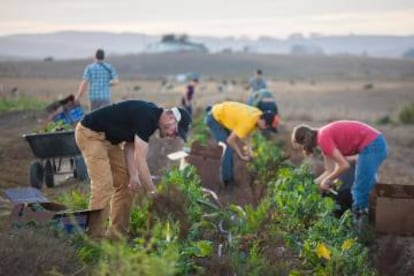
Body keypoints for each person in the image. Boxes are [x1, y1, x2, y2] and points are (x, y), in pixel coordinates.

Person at [75, 100, 191, 239]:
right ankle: (94, 235)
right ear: (171, 118)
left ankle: (117, 235)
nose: (173, 136)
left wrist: (134, 176)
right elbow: (140, 160)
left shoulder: (151, 119)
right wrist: (152, 192)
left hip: (110, 142)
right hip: (91, 134)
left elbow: (130, 147)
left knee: (126, 184)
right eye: (176, 131)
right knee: (103, 184)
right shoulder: (148, 116)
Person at [291, 120, 387, 225]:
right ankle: (373, 218)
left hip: (372, 144)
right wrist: (312, 184)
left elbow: (344, 165)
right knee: (366, 185)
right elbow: (329, 171)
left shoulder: (323, 138)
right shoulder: (322, 137)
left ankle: (361, 226)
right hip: (373, 144)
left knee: (359, 190)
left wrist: (327, 181)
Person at [205, 101, 279, 186]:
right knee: (227, 148)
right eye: (267, 127)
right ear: (263, 121)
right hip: (213, 118)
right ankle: (227, 182)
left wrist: (249, 151)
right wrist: (241, 156)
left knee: (229, 148)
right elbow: (230, 140)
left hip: (219, 114)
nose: (265, 129)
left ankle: (230, 178)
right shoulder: (248, 121)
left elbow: (248, 133)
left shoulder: (257, 115)